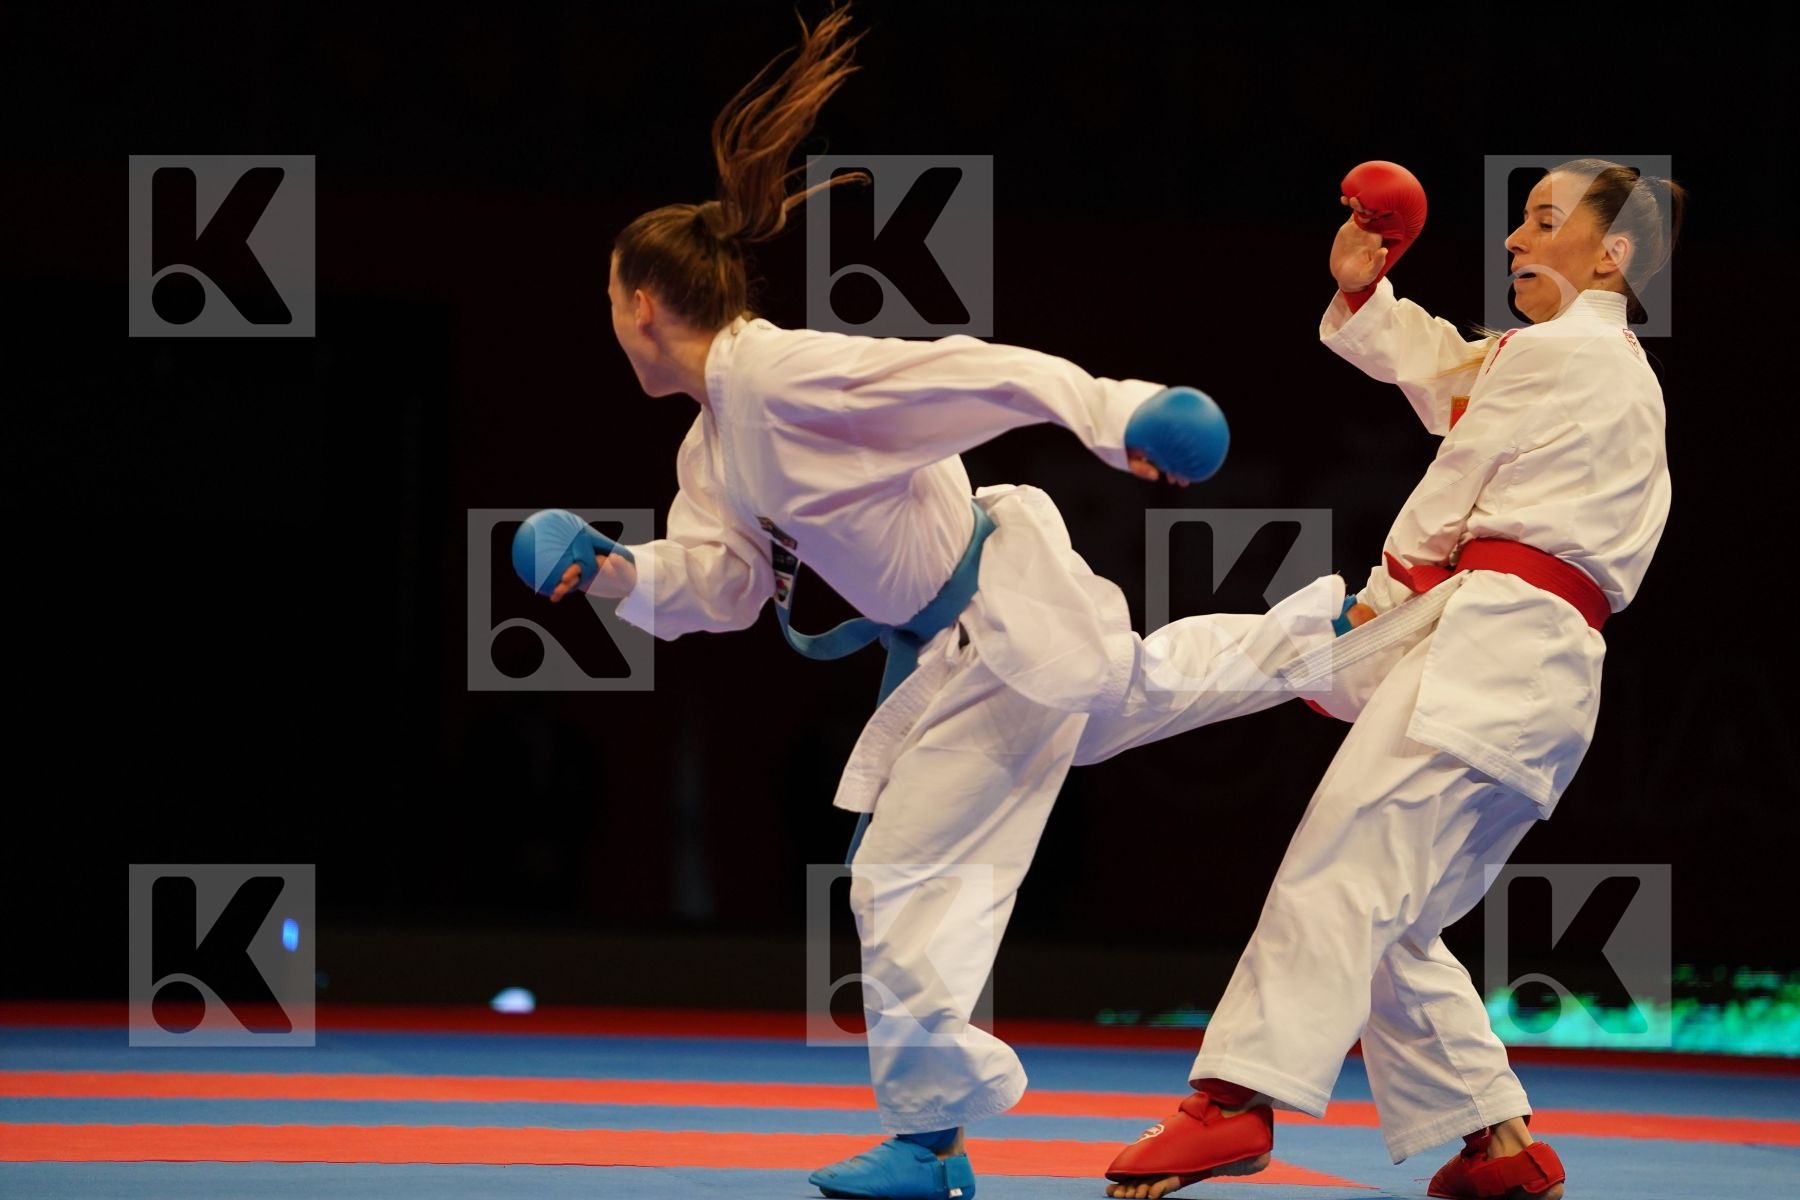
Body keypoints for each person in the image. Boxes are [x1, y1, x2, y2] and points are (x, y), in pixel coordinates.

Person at [511, 9, 1351, 1200]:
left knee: (895, 881)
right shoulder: (715, 446)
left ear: (643, 302)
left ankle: (932, 1142)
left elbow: (978, 370)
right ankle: (1336, 637)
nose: (609, 322)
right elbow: (725, 586)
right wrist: (607, 570)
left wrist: (1123, 416)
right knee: (1133, 690)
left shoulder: (788, 377)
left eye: (607, 298)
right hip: (973, 641)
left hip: (991, 622)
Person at [1101, 158, 1684, 1200]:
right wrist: (1369, 297)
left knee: (1339, 873)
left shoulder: (1563, 357)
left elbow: (1456, 470)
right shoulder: (1596, 366)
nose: (1512, 240)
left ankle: (1234, 1103)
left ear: (1612, 254)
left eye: (1544, 221)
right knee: (1394, 922)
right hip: (1546, 684)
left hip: (1494, 652)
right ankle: (1497, 1148)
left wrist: (1383, 593)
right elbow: (1463, 378)